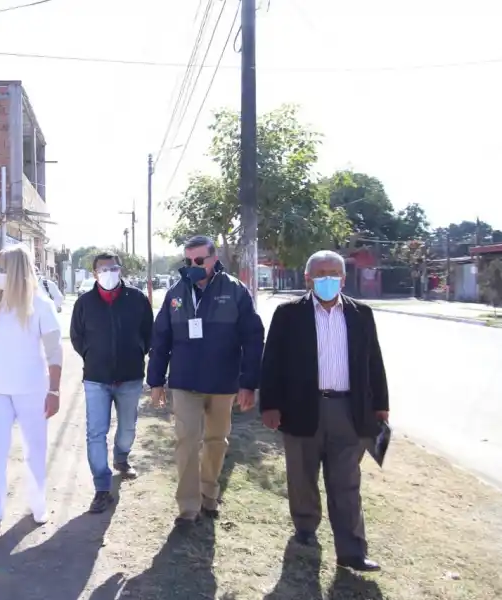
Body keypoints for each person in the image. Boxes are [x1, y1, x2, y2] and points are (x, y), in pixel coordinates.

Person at [259, 249, 389, 572]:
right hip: (302, 408)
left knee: (346, 481)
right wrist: (270, 405)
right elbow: (271, 362)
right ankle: (305, 528)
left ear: (344, 279)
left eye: (334, 274)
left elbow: (373, 361)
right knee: (301, 475)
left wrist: (381, 406)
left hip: (349, 410)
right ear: (308, 279)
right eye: (320, 274)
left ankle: (352, 550)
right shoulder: (288, 314)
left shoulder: (361, 314)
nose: (327, 280)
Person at [146, 235, 264, 527]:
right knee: (186, 441)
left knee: (216, 441)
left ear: (213, 259)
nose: (193, 266)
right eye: (188, 261)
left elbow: (252, 338)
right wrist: (156, 380)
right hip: (185, 381)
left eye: (199, 260)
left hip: (223, 382)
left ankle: (209, 495)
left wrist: (249, 382)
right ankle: (188, 508)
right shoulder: (175, 293)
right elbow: (160, 338)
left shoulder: (235, 291)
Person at [0, 245, 63, 539]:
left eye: (1, 268)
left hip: (32, 389)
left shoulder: (41, 305)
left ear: (16, 271)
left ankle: (37, 505)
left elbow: (54, 352)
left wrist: (55, 391)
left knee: (35, 451)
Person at [70, 251, 153, 513]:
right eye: (103, 269)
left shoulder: (136, 299)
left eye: (113, 268)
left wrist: (138, 352)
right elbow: (76, 337)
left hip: (130, 377)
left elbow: (149, 333)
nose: (109, 273)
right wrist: (91, 355)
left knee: (127, 427)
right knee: (96, 432)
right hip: (96, 378)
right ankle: (101, 488)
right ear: (94, 273)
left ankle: (121, 458)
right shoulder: (84, 303)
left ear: (121, 270)